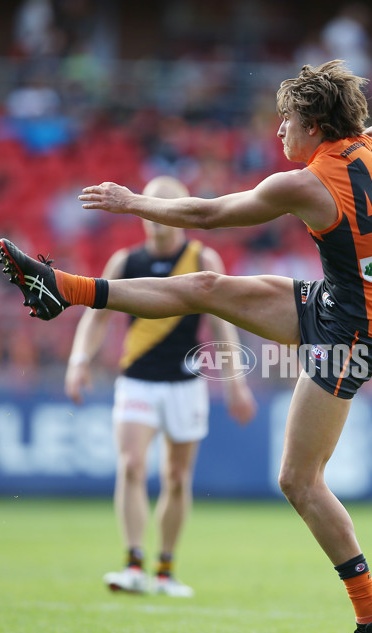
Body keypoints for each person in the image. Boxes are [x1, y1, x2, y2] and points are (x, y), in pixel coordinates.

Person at [0, 60, 372, 633]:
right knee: (206, 284)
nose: (279, 129)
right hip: (336, 306)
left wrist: (135, 202)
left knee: (298, 481)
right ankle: (64, 290)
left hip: (350, 336)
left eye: (288, 119)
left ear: (316, 123)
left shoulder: (308, 183)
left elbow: (212, 216)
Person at [64, 175, 257, 597]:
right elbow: (96, 317)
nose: (156, 221)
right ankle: (133, 563)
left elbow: (223, 322)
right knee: (131, 465)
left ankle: (166, 569)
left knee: (175, 477)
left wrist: (235, 382)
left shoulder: (202, 256)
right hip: (136, 381)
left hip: (185, 385)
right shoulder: (124, 262)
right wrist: (80, 360)